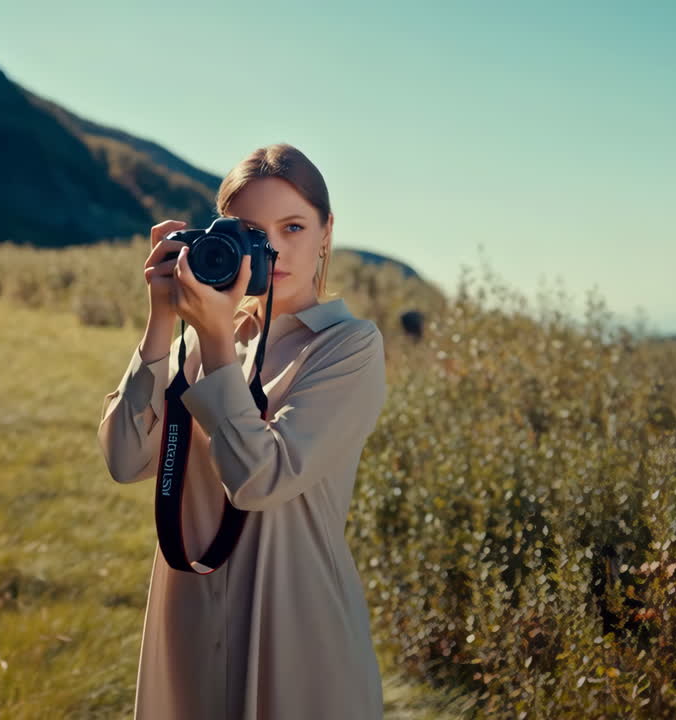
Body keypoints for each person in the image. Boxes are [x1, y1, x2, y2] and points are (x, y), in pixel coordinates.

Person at [98, 143, 388, 720]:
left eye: (294, 226)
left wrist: (212, 341)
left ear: (327, 231)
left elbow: (262, 480)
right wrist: (162, 319)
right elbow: (125, 459)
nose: (274, 247)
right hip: (190, 602)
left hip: (292, 611)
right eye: (252, 230)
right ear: (222, 238)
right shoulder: (210, 334)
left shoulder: (348, 346)